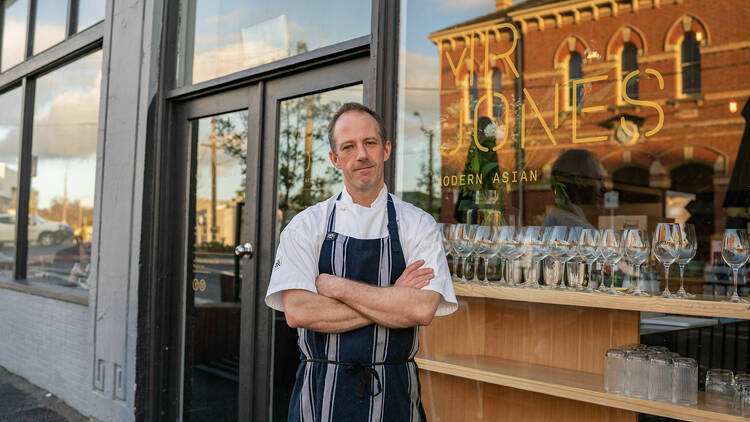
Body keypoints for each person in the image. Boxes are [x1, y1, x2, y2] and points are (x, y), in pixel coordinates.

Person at [265, 103, 458, 422]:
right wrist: (393, 297)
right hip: (320, 394)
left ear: (386, 149)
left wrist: (335, 287)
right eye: (348, 146)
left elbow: (421, 310)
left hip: (394, 392)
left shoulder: (418, 224)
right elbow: (299, 312)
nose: (362, 155)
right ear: (334, 159)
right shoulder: (306, 226)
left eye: (370, 143)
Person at [542, 148, 606, 229]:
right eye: (599, 179)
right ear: (579, 181)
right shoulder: (581, 231)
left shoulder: (555, 218)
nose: (603, 188)